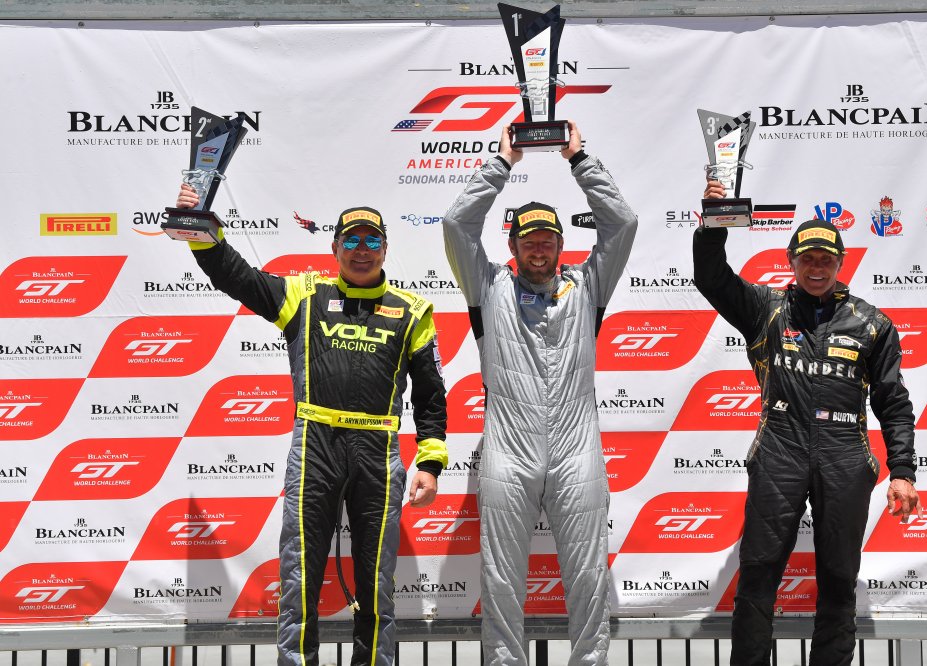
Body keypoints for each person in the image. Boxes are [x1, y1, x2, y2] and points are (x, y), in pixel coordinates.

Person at [173, 185, 448, 666]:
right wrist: (201, 230)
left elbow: (430, 394)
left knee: (376, 581)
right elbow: (237, 277)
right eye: (351, 240)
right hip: (315, 447)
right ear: (335, 247)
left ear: (385, 248)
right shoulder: (305, 294)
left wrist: (430, 462)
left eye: (371, 241)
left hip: (378, 449)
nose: (361, 250)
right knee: (300, 575)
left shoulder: (413, 311)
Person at [694, 179, 921, 666]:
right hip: (780, 447)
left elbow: (893, 402)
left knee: (838, 578)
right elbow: (711, 277)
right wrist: (713, 222)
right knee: (758, 573)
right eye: (807, 259)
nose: (817, 269)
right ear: (791, 262)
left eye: (826, 260)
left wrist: (902, 470)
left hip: (845, 453)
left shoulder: (872, 323)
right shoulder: (765, 310)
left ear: (840, 264)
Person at [442, 121, 637, 666]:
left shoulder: (587, 285)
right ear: (512, 245)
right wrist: (501, 164)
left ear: (560, 245)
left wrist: (580, 160)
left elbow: (622, 223)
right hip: (509, 448)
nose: (539, 249)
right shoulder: (488, 286)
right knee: (501, 578)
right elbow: (457, 224)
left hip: (577, 448)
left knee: (589, 576)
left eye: (547, 240)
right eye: (529, 241)